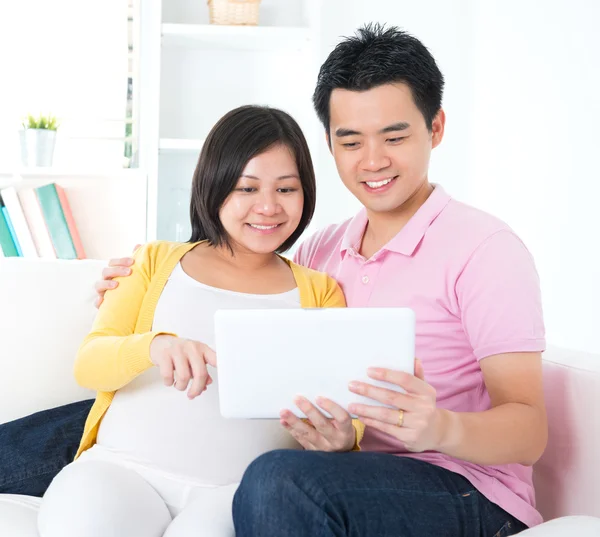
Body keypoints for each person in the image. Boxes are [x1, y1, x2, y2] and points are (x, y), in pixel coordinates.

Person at [0, 23, 546, 537]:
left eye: (395, 137)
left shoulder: (483, 249)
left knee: (274, 480)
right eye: (351, 140)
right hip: (336, 458)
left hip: (453, 481)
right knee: (101, 415)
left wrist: (439, 429)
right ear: (329, 145)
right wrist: (135, 292)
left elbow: (530, 431)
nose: (372, 160)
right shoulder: (321, 251)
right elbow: (244, 277)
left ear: (436, 128)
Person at [30, 105, 363, 537]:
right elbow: (89, 363)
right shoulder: (152, 261)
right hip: (121, 471)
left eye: (286, 189)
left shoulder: (321, 290)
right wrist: (155, 345)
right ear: (215, 184)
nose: (268, 206)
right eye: (247, 188)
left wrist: (345, 438)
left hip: (234, 492)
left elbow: (341, 401)